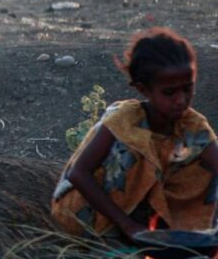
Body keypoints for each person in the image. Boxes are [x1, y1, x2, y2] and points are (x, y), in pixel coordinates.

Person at [51, 28, 218, 238]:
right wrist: (127, 225)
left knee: (201, 162)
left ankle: (177, 229)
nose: (181, 100)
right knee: (131, 152)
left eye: (187, 89)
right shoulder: (125, 119)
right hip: (93, 218)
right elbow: (78, 173)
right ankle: (125, 232)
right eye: (169, 92)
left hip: (143, 221)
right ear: (143, 90)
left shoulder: (192, 125)